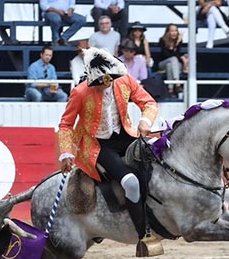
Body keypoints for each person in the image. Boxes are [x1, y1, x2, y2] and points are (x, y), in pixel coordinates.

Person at [58, 46, 158, 244]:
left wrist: (145, 121)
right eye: (95, 83)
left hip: (126, 135)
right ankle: (144, 236)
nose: (99, 86)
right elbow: (66, 124)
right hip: (98, 145)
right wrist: (66, 152)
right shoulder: (79, 92)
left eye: (102, 82)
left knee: (158, 166)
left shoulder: (125, 81)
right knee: (130, 182)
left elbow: (149, 103)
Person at [157, 23, 187, 95]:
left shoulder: (179, 41)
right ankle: (177, 84)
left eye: (176, 31)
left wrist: (177, 43)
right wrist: (175, 45)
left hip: (174, 64)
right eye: (172, 31)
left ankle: (170, 90)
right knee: (172, 60)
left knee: (170, 65)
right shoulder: (162, 40)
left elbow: (176, 55)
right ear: (168, 32)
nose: (174, 33)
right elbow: (166, 55)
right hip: (162, 63)